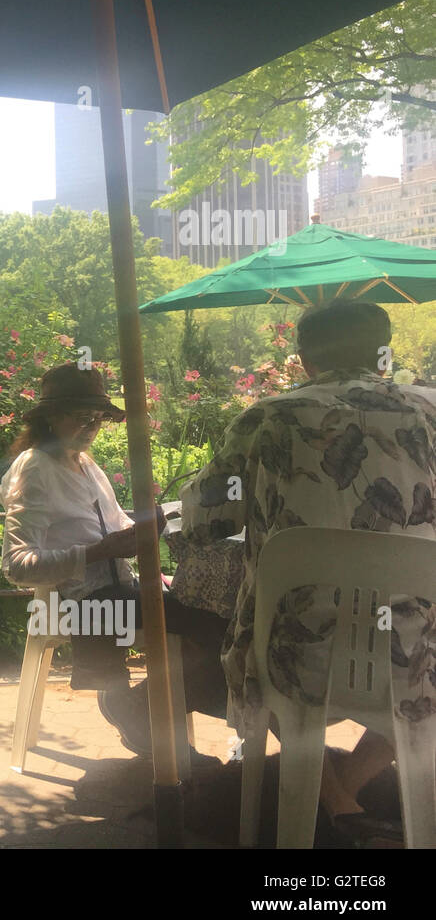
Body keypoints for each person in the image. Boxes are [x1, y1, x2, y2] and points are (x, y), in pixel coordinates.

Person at [180, 300, 436, 834]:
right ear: (384, 354)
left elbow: (202, 525)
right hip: (414, 652)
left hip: (299, 650)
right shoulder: (431, 412)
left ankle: (335, 801)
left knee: (260, 657)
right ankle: (354, 793)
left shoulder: (267, 418)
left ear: (303, 361)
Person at [0, 362, 230, 754]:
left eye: (98, 418)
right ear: (51, 418)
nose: (91, 426)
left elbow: (116, 526)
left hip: (118, 588)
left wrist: (160, 522)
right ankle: (137, 709)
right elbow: (16, 565)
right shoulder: (35, 468)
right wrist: (101, 552)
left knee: (219, 618)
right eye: (81, 416)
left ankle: (146, 708)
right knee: (210, 623)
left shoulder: (85, 465)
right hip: (75, 602)